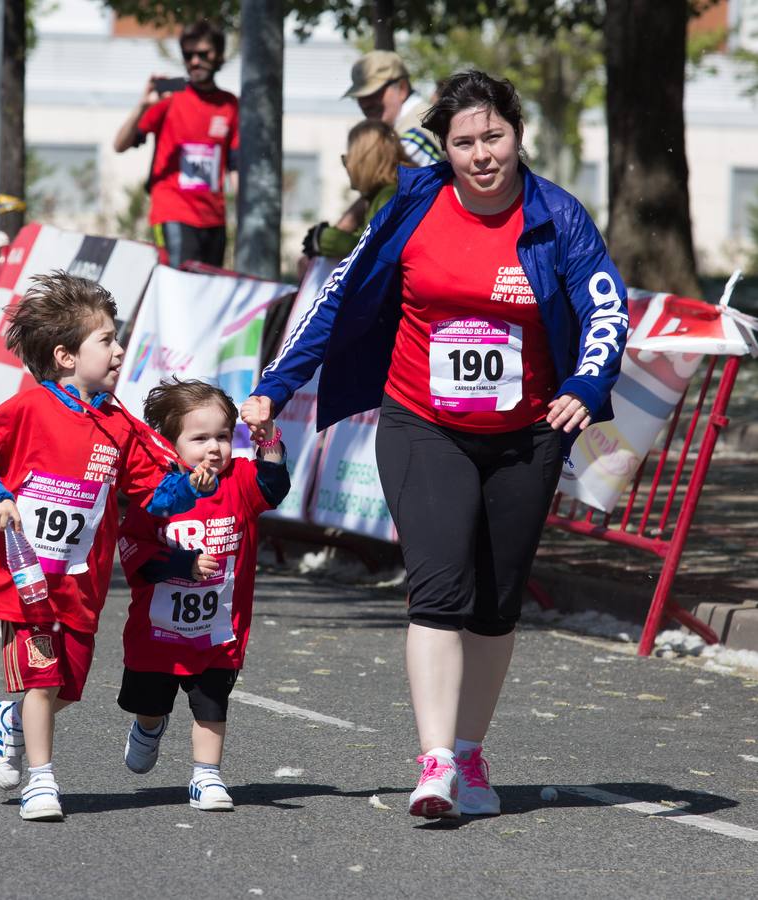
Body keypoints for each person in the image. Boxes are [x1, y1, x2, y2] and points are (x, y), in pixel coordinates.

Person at [242, 70, 628, 820]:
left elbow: (605, 309)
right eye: (464, 142)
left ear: (517, 136)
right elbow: (337, 300)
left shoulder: (557, 216)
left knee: (496, 604)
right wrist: (277, 385)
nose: (482, 154)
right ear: (442, 148)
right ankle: (436, 761)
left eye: (494, 137)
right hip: (424, 423)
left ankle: (473, 753)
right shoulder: (412, 204)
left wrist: (585, 383)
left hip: (528, 434)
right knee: (439, 585)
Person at [0, 271, 218, 823]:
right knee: (43, 682)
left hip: (81, 584)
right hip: (25, 583)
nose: (120, 351)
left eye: (119, 339)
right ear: (67, 356)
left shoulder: (121, 425)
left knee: (67, 687)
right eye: (108, 341)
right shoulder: (28, 410)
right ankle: (41, 783)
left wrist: (187, 484)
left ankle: (8, 719)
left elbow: (149, 494)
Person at [117, 379, 289, 811]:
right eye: (200, 438)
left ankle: (206, 776)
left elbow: (274, 485)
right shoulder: (156, 493)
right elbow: (135, 553)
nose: (214, 448)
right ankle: (148, 726)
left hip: (217, 629)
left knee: (211, 703)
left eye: (223, 437)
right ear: (168, 443)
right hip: (157, 633)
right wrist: (183, 566)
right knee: (151, 701)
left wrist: (268, 437)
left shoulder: (241, 480)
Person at [113, 19, 238, 268]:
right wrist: (143, 105)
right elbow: (120, 144)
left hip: (214, 218)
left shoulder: (230, 103)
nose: (194, 61)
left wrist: (248, 215)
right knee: (180, 285)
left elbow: (235, 166)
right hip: (173, 211)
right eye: (188, 55)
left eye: (203, 54)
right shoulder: (170, 91)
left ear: (219, 55)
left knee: (210, 290)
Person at [301, 119, 411, 262]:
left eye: (348, 159)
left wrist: (324, 239)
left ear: (365, 161)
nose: (347, 166)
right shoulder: (392, 191)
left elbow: (369, 249)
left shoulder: (388, 196)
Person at [344, 50, 442, 169]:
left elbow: (379, 180)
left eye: (374, 93)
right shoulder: (412, 122)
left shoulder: (413, 137)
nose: (365, 104)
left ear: (402, 88)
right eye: (360, 96)